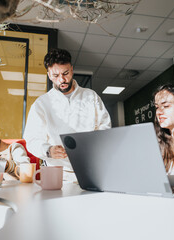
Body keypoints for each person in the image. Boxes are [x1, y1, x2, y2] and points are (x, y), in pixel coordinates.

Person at [23, 48, 111, 181]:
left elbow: (105, 128)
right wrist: (48, 150)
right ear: (48, 75)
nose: (62, 80)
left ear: (72, 69)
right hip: (57, 173)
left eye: (66, 73)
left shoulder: (90, 96)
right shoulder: (41, 104)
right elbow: (32, 139)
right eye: (55, 76)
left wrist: (94, 146)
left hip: (91, 168)